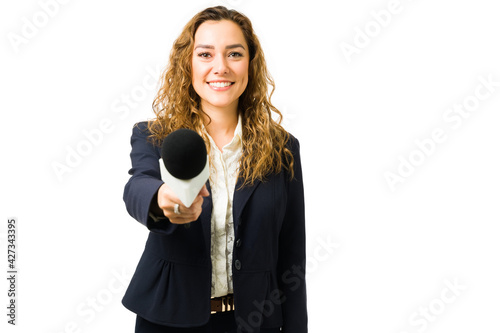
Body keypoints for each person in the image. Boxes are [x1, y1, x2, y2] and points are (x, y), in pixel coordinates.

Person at [122, 6, 307, 333]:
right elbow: (138, 186)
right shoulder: (153, 136)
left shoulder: (282, 148)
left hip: (254, 321)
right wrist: (162, 198)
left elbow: (292, 255)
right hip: (169, 319)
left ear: (250, 63)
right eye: (205, 54)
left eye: (234, 53)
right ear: (188, 64)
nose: (220, 67)